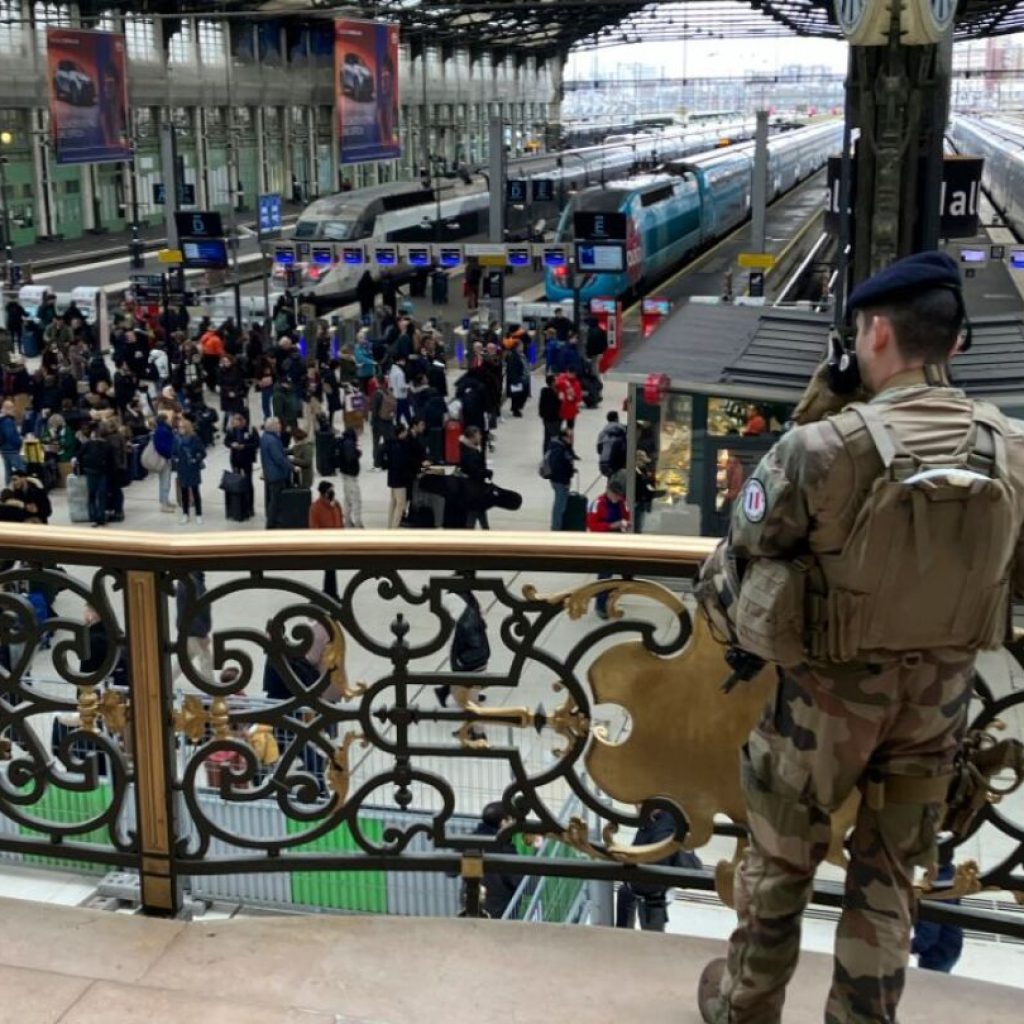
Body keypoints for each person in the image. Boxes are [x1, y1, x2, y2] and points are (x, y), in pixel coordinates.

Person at [693, 252, 1024, 1024]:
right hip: (940, 701)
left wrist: (818, 404)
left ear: (875, 333)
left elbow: (745, 543)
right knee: (891, 872)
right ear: (956, 346)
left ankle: (746, 1005)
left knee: (780, 861)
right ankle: (861, 1016)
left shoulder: (824, 448)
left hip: (824, 704)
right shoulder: (1011, 448)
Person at [615, 808, 702, 932]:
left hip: (651, 896)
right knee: (625, 894)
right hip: (647, 891)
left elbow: (655, 877)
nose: (637, 806)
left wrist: (630, 880)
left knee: (652, 936)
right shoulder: (657, 818)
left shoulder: (662, 829)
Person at [586, 471, 630, 619]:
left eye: (619, 496)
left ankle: (612, 598)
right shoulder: (598, 503)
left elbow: (626, 515)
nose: (617, 499)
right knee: (605, 575)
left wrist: (625, 524)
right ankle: (600, 605)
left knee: (622, 573)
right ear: (609, 492)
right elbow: (593, 525)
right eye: (615, 495)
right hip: (603, 542)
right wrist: (611, 526)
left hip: (618, 540)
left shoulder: (622, 502)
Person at [911, 856, 964, 973]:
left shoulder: (935, 888)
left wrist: (908, 947)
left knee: (927, 985)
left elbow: (928, 935)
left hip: (936, 952)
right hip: (951, 945)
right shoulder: (949, 875)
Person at [309, 481, 344, 597]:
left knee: (331, 570)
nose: (333, 493)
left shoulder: (336, 505)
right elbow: (314, 528)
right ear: (324, 493)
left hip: (337, 543)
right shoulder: (316, 508)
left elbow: (340, 520)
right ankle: (331, 594)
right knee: (330, 569)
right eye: (330, 491)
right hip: (325, 545)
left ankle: (330, 593)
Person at [76, 422, 113, 528]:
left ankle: (94, 517)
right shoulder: (107, 445)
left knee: (92, 495)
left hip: (90, 471)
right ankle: (101, 516)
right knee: (101, 495)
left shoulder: (87, 444)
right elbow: (111, 461)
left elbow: (78, 455)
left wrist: (83, 466)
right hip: (102, 472)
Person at [259, 417, 292, 529]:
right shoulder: (272, 440)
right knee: (275, 500)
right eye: (278, 424)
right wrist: (291, 467)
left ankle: (274, 520)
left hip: (270, 473)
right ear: (272, 426)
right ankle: (271, 523)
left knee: (272, 499)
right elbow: (279, 458)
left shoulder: (265, 437)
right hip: (276, 475)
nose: (280, 425)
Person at [224, 413, 258, 519]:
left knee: (248, 482)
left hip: (246, 459)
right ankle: (238, 506)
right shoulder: (231, 431)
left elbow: (256, 443)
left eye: (236, 421)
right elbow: (226, 441)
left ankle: (250, 506)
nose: (234, 423)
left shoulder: (251, 430)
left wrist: (245, 446)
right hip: (235, 459)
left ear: (242, 421)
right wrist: (231, 445)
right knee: (236, 481)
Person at [174, 418, 206, 526]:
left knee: (195, 491)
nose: (180, 429)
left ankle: (199, 514)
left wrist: (196, 459)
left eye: (182, 427)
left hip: (192, 468)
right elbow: (173, 452)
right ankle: (185, 514)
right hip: (182, 468)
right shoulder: (177, 439)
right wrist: (175, 459)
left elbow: (202, 452)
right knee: (184, 492)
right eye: (179, 427)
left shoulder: (195, 438)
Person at [458, 425, 491, 530]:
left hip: (475, 488)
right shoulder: (470, 453)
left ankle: (486, 531)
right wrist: (487, 473)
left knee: (480, 511)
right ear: (472, 437)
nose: (480, 437)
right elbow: (474, 471)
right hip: (473, 488)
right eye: (478, 435)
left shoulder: (471, 449)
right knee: (474, 512)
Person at [546, 425, 578, 531]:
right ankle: (556, 527)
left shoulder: (562, 447)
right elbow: (558, 466)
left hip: (561, 479)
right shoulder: (559, 449)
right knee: (559, 505)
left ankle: (558, 525)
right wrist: (566, 478)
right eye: (570, 437)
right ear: (564, 437)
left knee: (561, 504)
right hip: (560, 480)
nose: (572, 439)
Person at [337, 427, 364, 529]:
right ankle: (358, 523)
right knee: (356, 500)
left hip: (345, 475)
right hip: (350, 476)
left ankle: (347, 521)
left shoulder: (342, 442)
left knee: (347, 500)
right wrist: (357, 453)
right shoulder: (349, 443)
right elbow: (350, 457)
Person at [153, 410, 177, 513]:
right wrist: (169, 455)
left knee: (164, 481)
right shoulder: (163, 431)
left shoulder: (161, 430)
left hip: (164, 457)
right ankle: (164, 504)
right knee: (165, 481)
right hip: (165, 458)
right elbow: (162, 446)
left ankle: (165, 500)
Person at [596, 411, 627, 479]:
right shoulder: (623, 431)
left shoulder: (602, 433)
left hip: (603, 464)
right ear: (617, 419)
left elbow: (599, 450)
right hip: (617, 464)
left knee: (611, 482)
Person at [0, 400, 24, 484]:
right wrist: (19, 442)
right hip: (11, 449)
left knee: (8, 471)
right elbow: (10, 435)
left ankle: (8, 490)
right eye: (12, 408)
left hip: (4, 449)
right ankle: (22, 489)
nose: (14, 410)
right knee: (22, 468)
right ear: (8, 409)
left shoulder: (2, 420)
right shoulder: (8, 421)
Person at [538, 374, 561, 454]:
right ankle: (551, 456)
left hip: (549, 419)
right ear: (552, 383)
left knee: (547, 438)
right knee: (553, 438)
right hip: (553, 419)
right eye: (555, 380)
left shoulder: (545, 391)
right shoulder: (553, 393)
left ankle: (546, 455)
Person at [288, 426, 314, 490]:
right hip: (298, 475)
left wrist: (293, 460)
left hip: (305, 477)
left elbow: (307, 462)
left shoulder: (307, 447)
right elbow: (290, 451)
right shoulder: (297, 446)